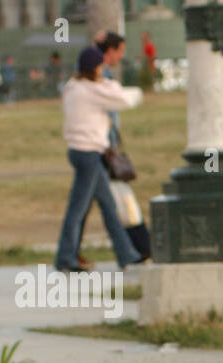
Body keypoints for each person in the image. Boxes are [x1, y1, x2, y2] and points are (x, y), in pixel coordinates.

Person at [55, 46, 143, 273]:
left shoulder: (73, 87)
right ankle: (65, 257)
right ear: (95, 67)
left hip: (78, 151)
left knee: (108, 206)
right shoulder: (92, 91)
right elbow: (124, 100)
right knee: (78, 208)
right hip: (90, 153)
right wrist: (134, 90)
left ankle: (127, 254)